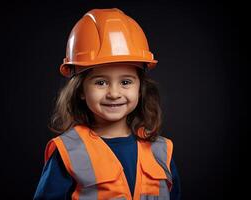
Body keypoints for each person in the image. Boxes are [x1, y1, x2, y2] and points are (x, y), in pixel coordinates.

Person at [34, 8, 181, 200]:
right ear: (80, 91)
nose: (114, 93)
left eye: (126, 82)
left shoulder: (161, 151)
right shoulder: (68, 152)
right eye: (100, 82)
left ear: (140, 88)